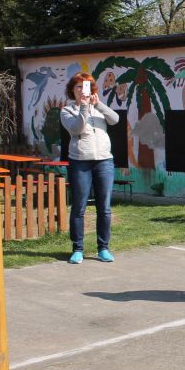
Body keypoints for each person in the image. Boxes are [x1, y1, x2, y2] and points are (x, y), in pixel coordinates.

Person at [60, 72, 120, 264]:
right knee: (79, 207)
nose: (81, 90)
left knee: (105, 208)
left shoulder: (98, 108)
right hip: (80, 162)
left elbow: (115, 119)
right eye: (78, 87)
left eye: (85, 87)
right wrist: (84, 107)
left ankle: (103, 248)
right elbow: (76, 129)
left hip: (104, 161)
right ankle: (77, 249)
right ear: (72, 90)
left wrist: (98, 104)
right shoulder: (66, 110)